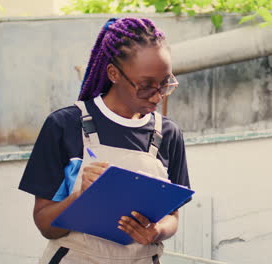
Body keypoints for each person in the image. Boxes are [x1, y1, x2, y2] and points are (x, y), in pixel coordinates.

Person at [19, 17, 191, 264]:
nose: (156, 97)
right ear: (113, 73)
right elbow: (46, 225)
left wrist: (156, 231)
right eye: (145, 86)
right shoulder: (65, 126)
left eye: (164, 84)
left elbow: (172, 217)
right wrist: (79, 197)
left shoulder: (168, 134)